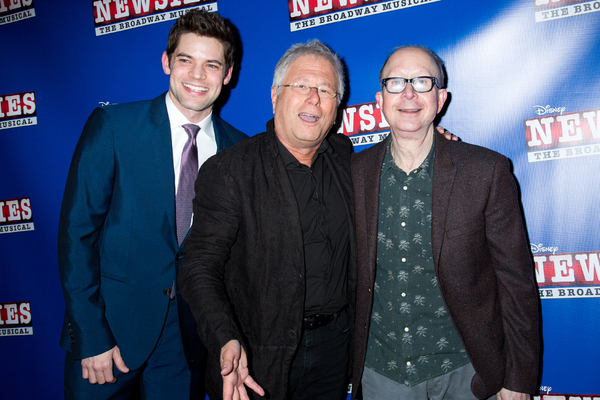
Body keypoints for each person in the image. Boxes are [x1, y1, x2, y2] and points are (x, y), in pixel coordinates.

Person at [58, 9, 247, 399]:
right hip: (109, 337)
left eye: (211, 65)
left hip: (188, 346)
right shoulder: (113, 128)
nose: (197, 76)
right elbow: (77, 236)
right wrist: (90, 336)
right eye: (185, 60)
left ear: (228, 74)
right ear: (166, 62)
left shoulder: (241, 151)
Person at [351, 45, 540, 400]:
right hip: (380, 373)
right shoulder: (353, 173)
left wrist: (518, 379)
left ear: (441, 99)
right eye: (396, 83)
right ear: (380, 99)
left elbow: (516, 284)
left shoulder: (486, 171)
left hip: (465, 372)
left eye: (423, 82)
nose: (408, 93)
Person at [178, 39, 355, 400]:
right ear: (275, 96)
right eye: (302, 86)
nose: (314, 99)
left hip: (336, 352)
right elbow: (198, 266)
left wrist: (434, 139)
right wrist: (224, 337)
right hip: (257, 356)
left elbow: (398, 155)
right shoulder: (231, 170)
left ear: (337, 109)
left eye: (326, 90)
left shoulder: (346, 159)